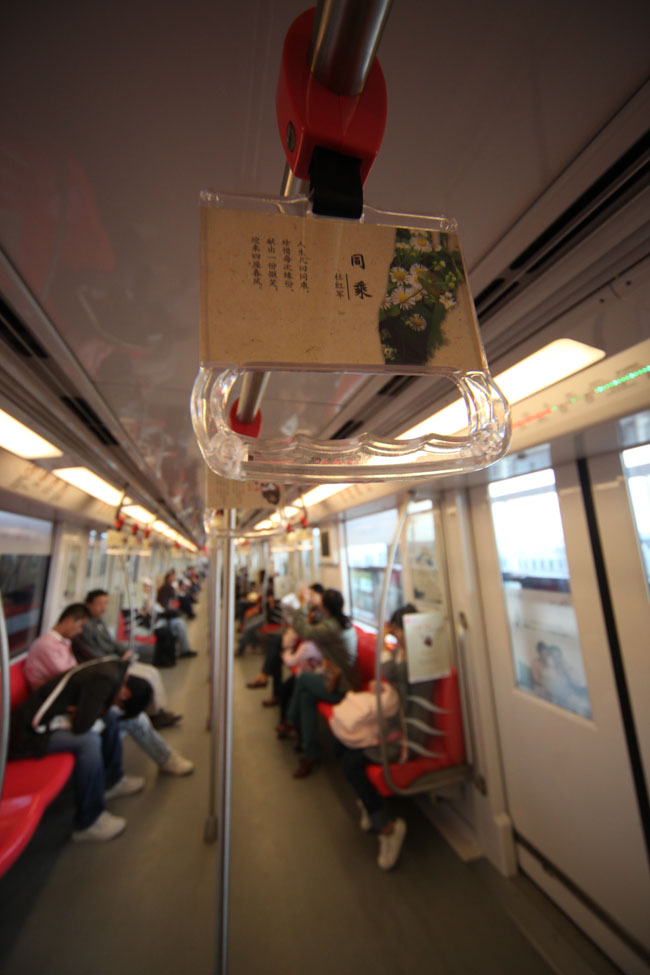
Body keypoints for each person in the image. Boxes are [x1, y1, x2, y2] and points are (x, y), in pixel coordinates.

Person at [10, 656, 143, 842]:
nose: (116, 704)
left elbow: (86, 715)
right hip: (27, 735)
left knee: (109, 718)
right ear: (125, 693)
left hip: (46, 721)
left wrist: (91, 712)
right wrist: (89, 713)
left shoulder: (112, 670)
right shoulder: (105, 679)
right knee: (88, 742)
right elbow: (82, 727)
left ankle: (112, 780)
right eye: (120, 704)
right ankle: (88, 822)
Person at [70, 593, 194, 776]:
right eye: (99, 604)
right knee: (142, 691)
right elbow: (93, 657)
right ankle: (161, 748)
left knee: (151, 673)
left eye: (105, 603)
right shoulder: (82, 632)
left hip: (111, 664)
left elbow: (111, 643)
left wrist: (124, 652)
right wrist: (118, 660)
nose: (104, 608)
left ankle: (157, 712)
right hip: (107, 669)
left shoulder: (98, 623)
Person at [333, 604, 416, 870]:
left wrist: (384, 641)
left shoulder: (413, 658)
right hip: (393, 722)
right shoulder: (402, 653)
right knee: (341, 746)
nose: (396, 634)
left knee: (351, 762)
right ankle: (370, 804)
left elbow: (389, 673)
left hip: (405, 735)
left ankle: (388, 828)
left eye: (398, 629)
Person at [281, 587, 360, 778]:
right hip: (337, 678)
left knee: (302, 678)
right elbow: (317, 624)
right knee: (306, 697)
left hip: (341, 686)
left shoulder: (331, 627)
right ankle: (310, 753)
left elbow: (303, 630)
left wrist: (303, 605)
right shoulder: (341, 621)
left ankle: (290, 720)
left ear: (326, 607)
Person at [140, 578, 198, 660]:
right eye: (146, 586)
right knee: (179, 624)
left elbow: (159, 608)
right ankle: (182, 651)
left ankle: (184, 650)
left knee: (180, 622)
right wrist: (148, 604)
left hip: (161, 616)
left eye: (149, 586)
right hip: (157, 620)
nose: (148, 588)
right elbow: (145, 614)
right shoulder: (143, 599)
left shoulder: (151, 597)